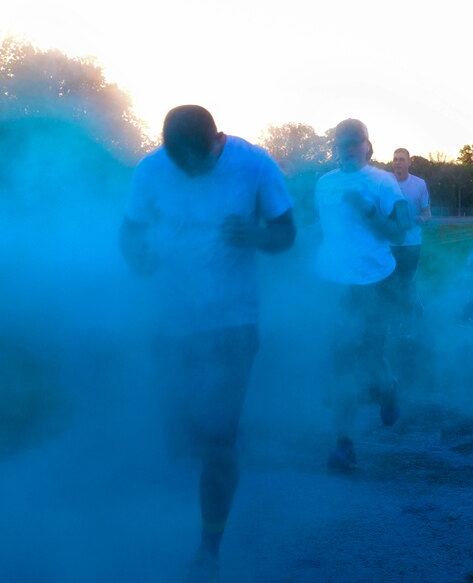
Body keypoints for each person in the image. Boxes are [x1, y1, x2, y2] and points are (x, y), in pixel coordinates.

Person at [119, 105, 295, 582]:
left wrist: (256, 235)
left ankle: (208, 551)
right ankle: (223, 447)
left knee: (217, 440)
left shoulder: (254, 164)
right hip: (172, 325)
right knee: (181, 439)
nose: (189, 174)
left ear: (216, 141)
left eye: (196, 165)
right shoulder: (153, 169)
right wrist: (139, 259)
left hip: (232, 324)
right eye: (180, 166)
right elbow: (130, 232)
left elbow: (286, 231)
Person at [314, 119, 409, 471]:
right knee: (341, 359)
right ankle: (344, 444)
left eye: (354, 143)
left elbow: (400, 232)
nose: (347, 148)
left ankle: (389, 387)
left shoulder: (383, 182)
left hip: (373, 282)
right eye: (341, 143)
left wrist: (366, 210)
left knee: (369, 354)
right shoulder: (324, 183)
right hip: (333, 283)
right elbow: (324, 228)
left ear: (368, 146)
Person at [391, 148, 431, 334]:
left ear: (409, 163)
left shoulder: (419, 184)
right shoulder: (385, 183)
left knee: (406, 282)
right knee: (392, 282)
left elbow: (427, 212)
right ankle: (403, 313)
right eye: (395, 159)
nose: (397, 162)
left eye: (401, 159)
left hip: (412, 243)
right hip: (389, 243)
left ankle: (407, 320)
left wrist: (422, 219)